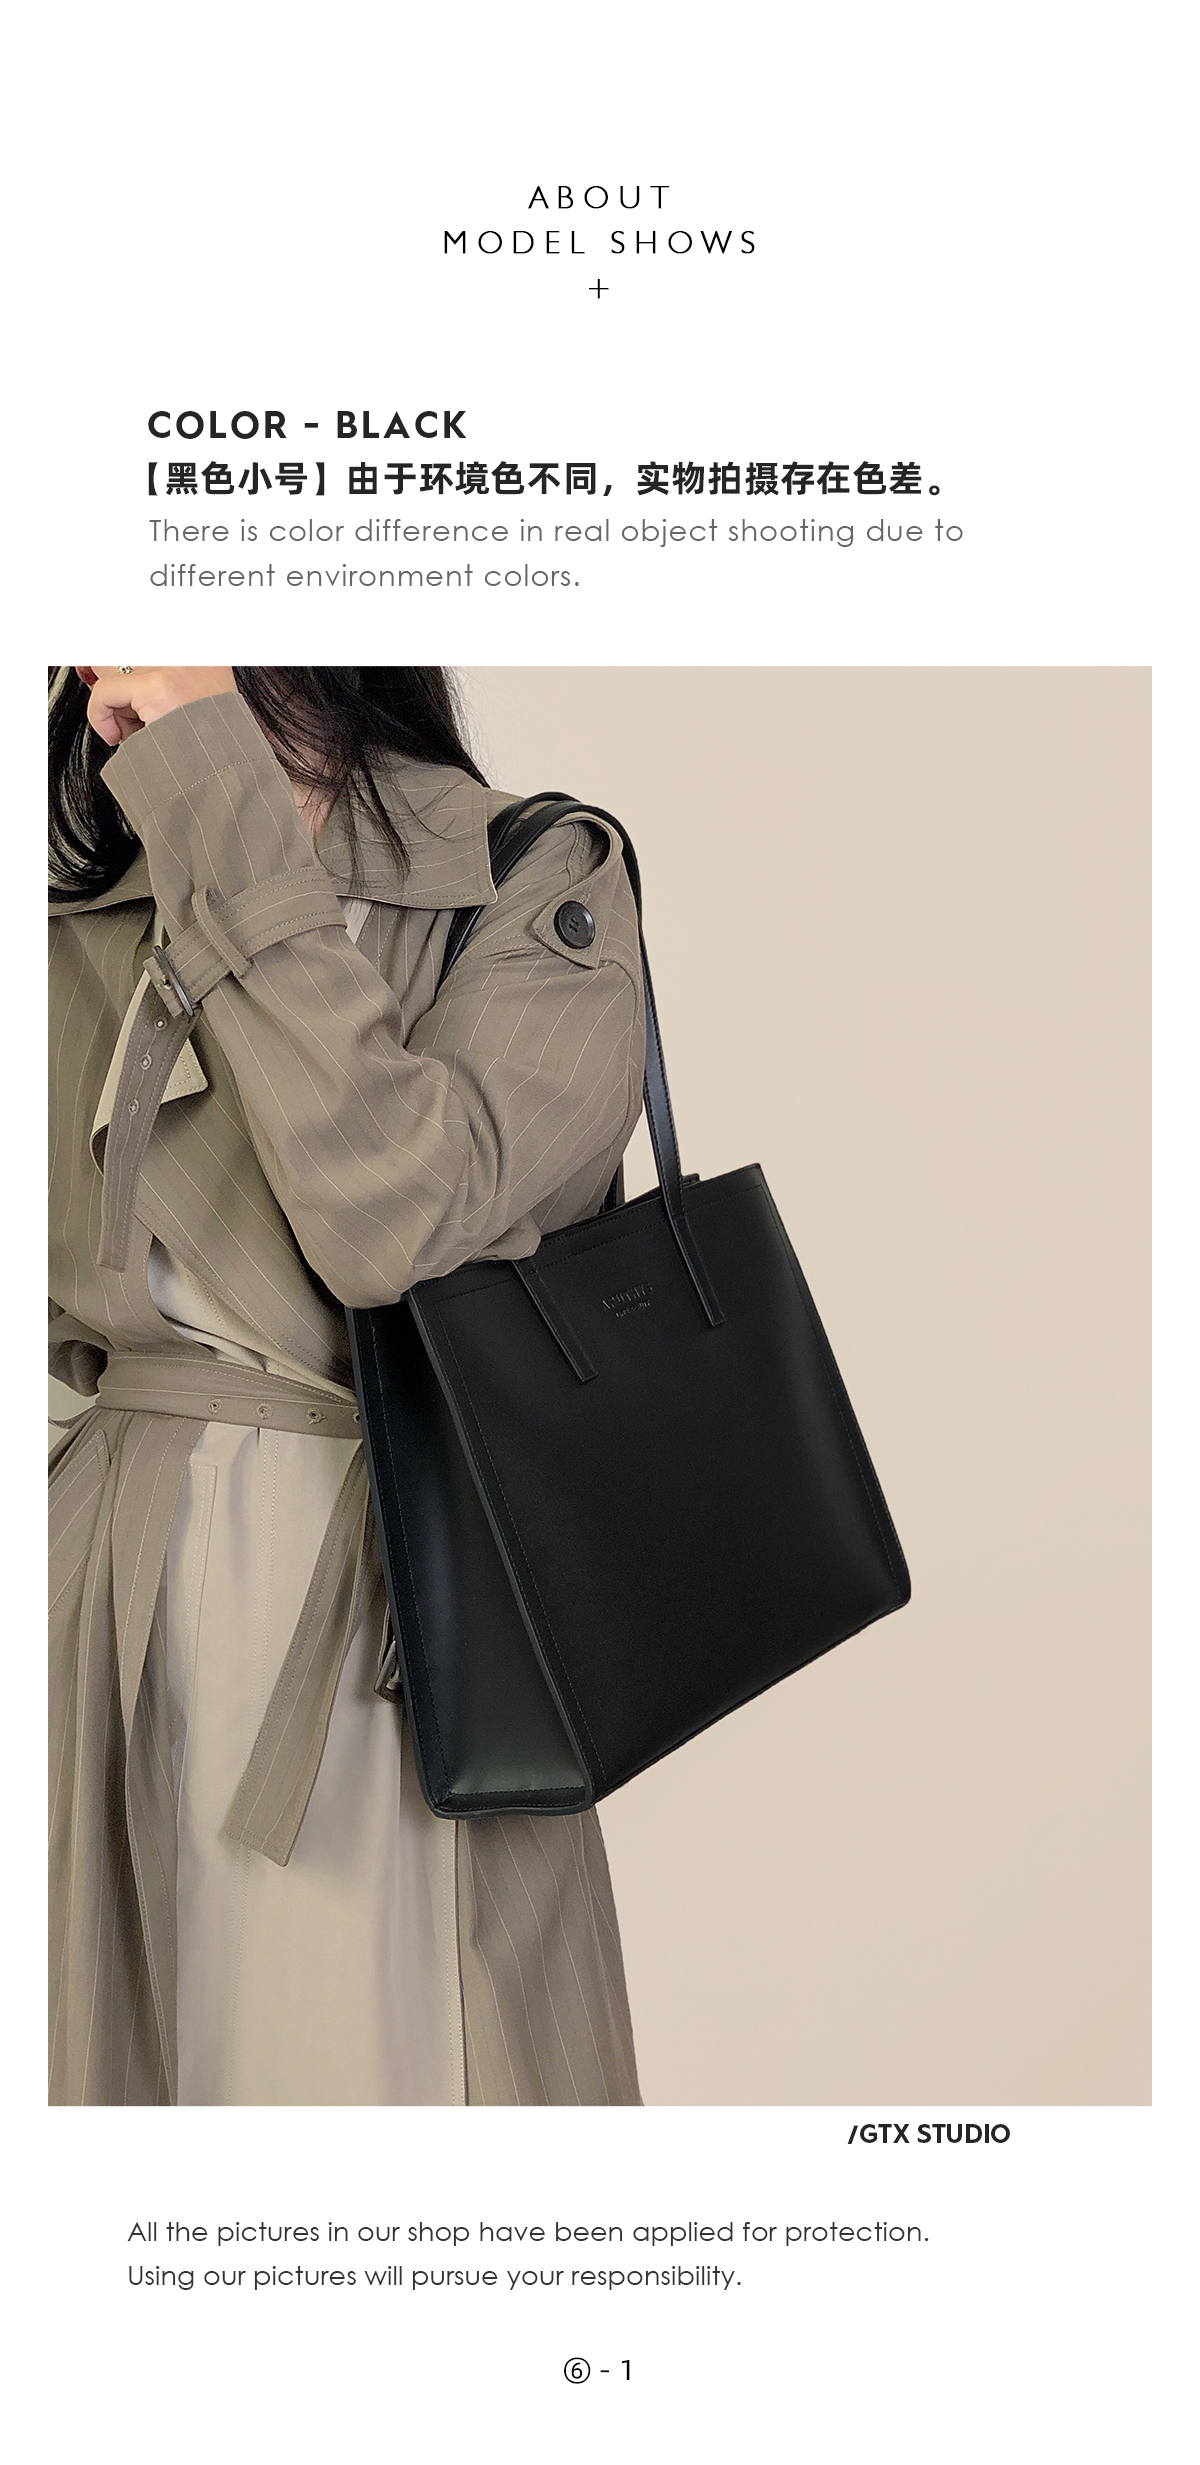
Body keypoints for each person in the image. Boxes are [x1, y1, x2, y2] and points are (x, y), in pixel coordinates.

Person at [49, 665, 645, 2107]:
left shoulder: (530, 873)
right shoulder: (75, 898)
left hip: (399, 1621)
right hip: (91, 1607)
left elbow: (398, 1221)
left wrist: (221, 797)